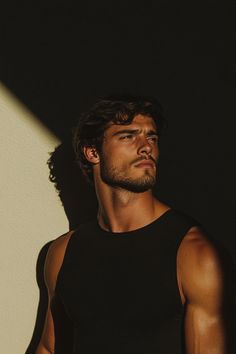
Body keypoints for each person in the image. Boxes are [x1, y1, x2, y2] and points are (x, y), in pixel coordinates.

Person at [35, 95, 234, 354]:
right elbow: (50, 349)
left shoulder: (194, 253)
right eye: (128, 136)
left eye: (151, 137)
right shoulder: (62, 253)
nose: (146, 147)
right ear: (93, 152)